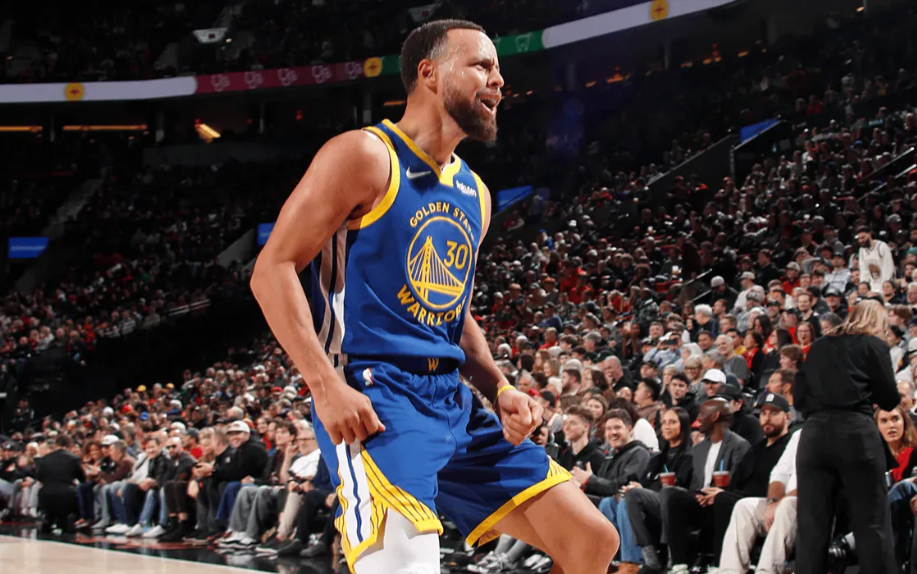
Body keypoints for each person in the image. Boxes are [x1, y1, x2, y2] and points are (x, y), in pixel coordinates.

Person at [250, 19, 617, 574]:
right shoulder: (365, 154)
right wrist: (325, 387)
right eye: (482, 66)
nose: (499, 81)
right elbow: (271, 269)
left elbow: (453, 313)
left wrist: (499, 387)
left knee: (592, 540)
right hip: (375, 397)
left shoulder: (476, 194)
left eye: (498, 70)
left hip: (452, 400)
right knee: (408, 565)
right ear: (429, 73)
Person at [794, 300, 900, 574]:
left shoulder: (819, 346)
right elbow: (889, 399)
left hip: (813, 436)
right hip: (855, 435)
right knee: (871, 523)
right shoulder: (873, 345)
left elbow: (798, 397)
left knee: (811, 528)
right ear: (878, 322)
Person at [633, 400, 750, 573]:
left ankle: (719, 564)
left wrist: (718, 493)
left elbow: (738, 482)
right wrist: (700, 495)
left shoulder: (739, 445)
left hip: (724, 499)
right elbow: (695, 484)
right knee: (671, 494)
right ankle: (679, 564)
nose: (698, 418)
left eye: (702, 414)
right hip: (700, 499)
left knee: (721, 499)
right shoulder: (700, 448)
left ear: (715, 416)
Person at [622, 408, 694, 572]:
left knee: (639, 494)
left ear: (683, 425)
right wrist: (638, 487)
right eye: (664, 422)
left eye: (672, 422)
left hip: (679, 504)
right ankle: (649, 554)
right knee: (629, 495)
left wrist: (642, 490)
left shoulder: (690, 455)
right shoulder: (657, 458)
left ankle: (670, 551)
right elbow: (644, 483)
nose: (667, 426)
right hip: (655, 502)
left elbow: (684, 486)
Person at [35, 434, 85, 532]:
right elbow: (81, 477)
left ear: (56, 444)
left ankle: (47, 519)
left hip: (46, 494)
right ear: (69, 445)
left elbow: (39, 478)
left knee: (49, 515)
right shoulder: (74, 459)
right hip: (67, 495)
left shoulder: (44, 459)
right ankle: (69, 521)